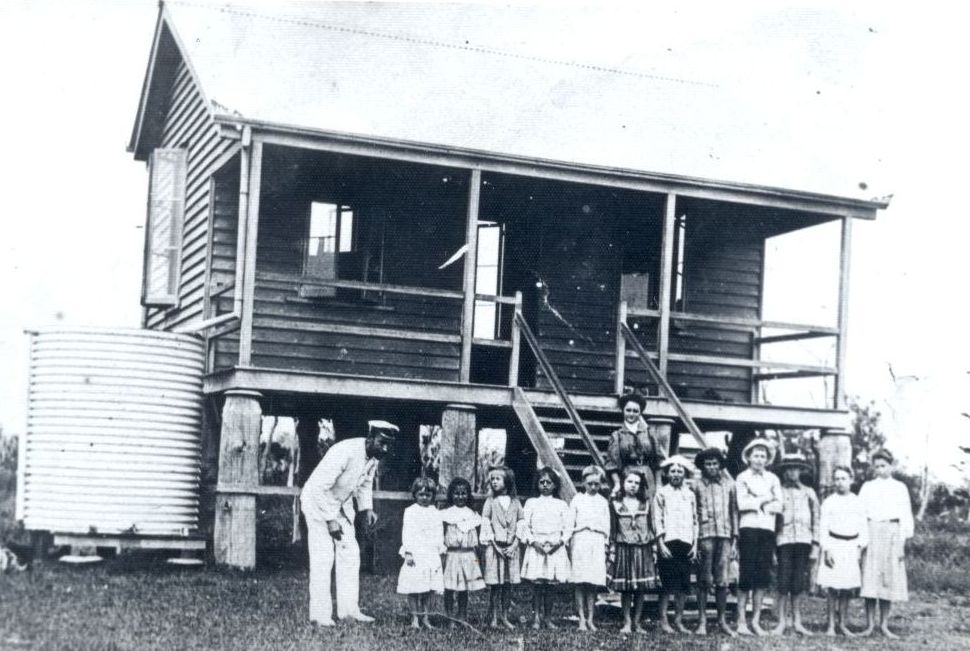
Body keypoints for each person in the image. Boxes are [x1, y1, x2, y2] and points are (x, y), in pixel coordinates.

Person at [300, 420, 397, 626]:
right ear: (370, 438)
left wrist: (366, 508)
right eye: (382, 442)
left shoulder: (373, 457)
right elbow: (319, 488)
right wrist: (330, 520)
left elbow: (365, 484)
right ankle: (320, 615)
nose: (385, 448)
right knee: (323, 557)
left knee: (350, 554)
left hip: (340, 505)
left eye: (389, 444)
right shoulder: (345, 451)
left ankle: (349, 611)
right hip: (317, 503)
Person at [858, 449, 913, 638]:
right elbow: (860, 514)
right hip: (872, 531)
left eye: (884, 466)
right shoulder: (867, 487)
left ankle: (884, 624)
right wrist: (862, 540)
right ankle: (869, 624)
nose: (880, 470)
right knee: (871, 578)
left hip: (892, 533)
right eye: (877, 466)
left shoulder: (900, 488)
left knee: (887, 579)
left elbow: (906, 517)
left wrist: (901, 542)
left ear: (891, 466)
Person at [734, 437, 781, 636]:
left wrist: (757, 500)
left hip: (767, 530)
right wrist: (764, 500)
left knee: (762, 577)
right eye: (756, 455)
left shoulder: (773, 479)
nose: (759, 459)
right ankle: (741, 621)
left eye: (763, 456)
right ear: (749, 457)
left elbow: (779, 505)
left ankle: (756, 621)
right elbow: (742, 504)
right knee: (746, 576)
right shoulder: (742, 477)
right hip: (748, 528)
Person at [772, 453, 820, 637]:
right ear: (784, 471)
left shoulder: (809, 492)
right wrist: (772, 548)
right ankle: (782, 621)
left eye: (795, 468)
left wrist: (815, 544)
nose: (792, 472)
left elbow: (817, 519)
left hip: (804, 540)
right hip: (783, 540)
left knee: (798, 582)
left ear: (800, 470)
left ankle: (797, 621)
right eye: (788, 469)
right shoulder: (778, 491)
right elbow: (773, 518)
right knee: (783, 580)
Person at [692, 446, 738, 637]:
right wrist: (694, 540)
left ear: (720, 465)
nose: (711, 467)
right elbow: (693, 514)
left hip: (725, 537)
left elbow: (734, 512)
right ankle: (702, 621)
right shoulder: (696, 485)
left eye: (714, 463)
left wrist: (735, 539)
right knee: (704, 580)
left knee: (722, 581)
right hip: (705, 536)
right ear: (702, 466)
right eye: (707, 464)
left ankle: (721, 620)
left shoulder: (729, 485)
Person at [818, 465, 868, 637]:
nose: (840, 482)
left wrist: (860, 548)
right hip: (834, 544)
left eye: (843, 479)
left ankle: (843, 624)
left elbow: (863, 527)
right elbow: (823, 528)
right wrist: (827, 550)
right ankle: (830, 625)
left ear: (851, 480)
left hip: (851, 546)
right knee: (832, 587)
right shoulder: (829, 502)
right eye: (837, 479)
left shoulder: (858, 501)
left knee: (846, 588)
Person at [519, 467, 571, 629]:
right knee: (537, 585)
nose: (545, 485)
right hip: (537, 546)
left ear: (555, 485)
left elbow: (568, 527)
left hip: (555, 546)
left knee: (550, 585)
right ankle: (536, 618)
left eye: (549, 482)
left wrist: (560, 542)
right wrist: (533, 542)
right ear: (537, 485)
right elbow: (524, 525)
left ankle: (548, 618)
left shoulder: (561, 505)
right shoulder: (531, 503)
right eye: (542, 482)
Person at [607, 469, 656, 634]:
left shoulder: (646, 503)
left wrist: (653, 547)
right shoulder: (615, 502)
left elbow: (651, 526)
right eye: (630, 482)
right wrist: (612, 548)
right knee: (627, 588)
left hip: (643, 548)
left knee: (640, 588)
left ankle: (637, 622)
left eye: (637, 483)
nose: (633, 486)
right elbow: (613, 528)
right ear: (622, 483)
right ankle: (627, 621)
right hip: (624, 547)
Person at [653, 455, 698, 635]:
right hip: (669, 542)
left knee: (683, 585)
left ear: (684, 474)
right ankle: (663, 620)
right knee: (666, 584)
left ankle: (678, 620)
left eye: (680, 471)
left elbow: (695, 520)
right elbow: (657, 519)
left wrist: (694, 544)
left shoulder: (690, 494)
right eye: (673, 471)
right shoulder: (662, 493)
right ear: (667, 474)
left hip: (686, 542)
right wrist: (661, 544)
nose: (676, 474)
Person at [397, 476, 445, 628]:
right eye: (421, 494)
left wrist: (440, 550)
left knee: (429, 589)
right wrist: (408, 552)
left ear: (433, 496)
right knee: (414, 587)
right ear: (415, 495)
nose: (424, 498)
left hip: (430, 553)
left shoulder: (436, 513)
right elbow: (407, 532)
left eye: (428, 495)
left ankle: (426, 617)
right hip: (416, 552)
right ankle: (415, 619)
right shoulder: (410, 511)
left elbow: (439, 533)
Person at [479, 465, 524, 629]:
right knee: (495, 585)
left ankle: (505, 616)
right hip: (495, 548)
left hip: (511, 549)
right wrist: (494, 545)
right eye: (492, 479)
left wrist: (515, 544)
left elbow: (521, 523)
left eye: (498, 478)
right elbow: (485, 523)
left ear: (508, 481)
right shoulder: (490, 502)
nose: (494, 482)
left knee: (507, 584)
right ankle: (494, 617)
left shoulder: (516, 502)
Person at [569, 465, 610, 631]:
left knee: (592, 581)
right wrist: (569, 542)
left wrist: (606, 545)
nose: (593, 487)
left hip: (597, 541)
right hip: (580, 539)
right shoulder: (577, 499)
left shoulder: (603, 502)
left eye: (596, 484)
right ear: (583, 483)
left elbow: (607, 526)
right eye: (590, 484)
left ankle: (591, 618)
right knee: (580, 580)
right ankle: (581, 619)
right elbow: (570, 523)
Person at [605, 393, 667, 503]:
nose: (631, 414)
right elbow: (612, 463)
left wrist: (658, 485)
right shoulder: (617, 435)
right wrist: (617, 483)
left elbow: (659, 460)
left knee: (650, 508)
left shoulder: (649, 433)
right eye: (628, 410)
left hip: (647, 476)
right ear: (623, 411)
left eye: (635, 411)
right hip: (627, 476)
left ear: (640, 413)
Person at [441, 477, 485, 625]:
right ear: (451, 495)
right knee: (450, 586)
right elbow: (442, 535)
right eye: (457, 493)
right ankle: (449, 616)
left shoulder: (472, 515)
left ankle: (461, 615)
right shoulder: (446, 514)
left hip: (468, 555)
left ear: (468, 495)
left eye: (463, 493)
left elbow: (475, 539)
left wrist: (477, 558)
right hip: (452, 554)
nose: (460, 497)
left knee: (464, 588)